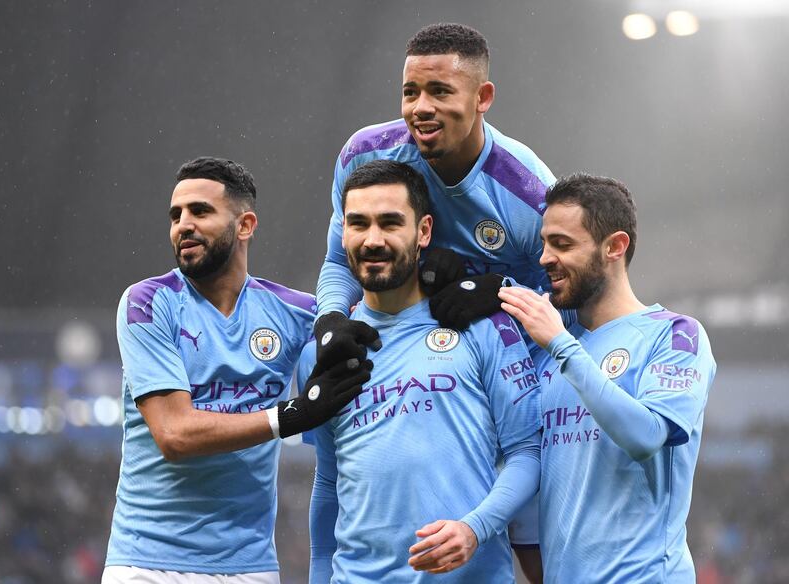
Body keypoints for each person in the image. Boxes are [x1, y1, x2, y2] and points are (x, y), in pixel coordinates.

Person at [313, 24, 555, 575]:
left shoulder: (526, 192)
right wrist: (329, 318)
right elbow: (336, 260)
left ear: (482, 98)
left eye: (440, 92)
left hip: (508, 360)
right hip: (420, 340)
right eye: (410, 92)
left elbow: (569, 300)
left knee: (536, 543)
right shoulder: (365, 154)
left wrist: (499, 290)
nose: (420, 107)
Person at [102, 157, 372, 584]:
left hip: (250, 566)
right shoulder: (148, 303)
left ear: (245, 225)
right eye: (176, 215)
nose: (183, 225)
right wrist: (291, 416)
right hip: (148, 564)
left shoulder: (294, 312)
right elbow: (174, 434)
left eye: (200, 212)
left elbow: (379, 323)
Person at [304, 160, 542, 583]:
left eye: (390, 223)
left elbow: (528, 454)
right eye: (358, 224)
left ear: (424, 231)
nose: (372, 240)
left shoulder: (484, 325)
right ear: (343, 233)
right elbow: (328, 482)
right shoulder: (325, 351)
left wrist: (475, 528)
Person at [498, 174, 716, 583]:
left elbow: (647, 436)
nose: (545, 258)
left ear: (615, 246)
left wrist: (562, 347)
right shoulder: (544, 346)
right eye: (544, 244)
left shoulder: (673, 334)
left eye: (562, 244)